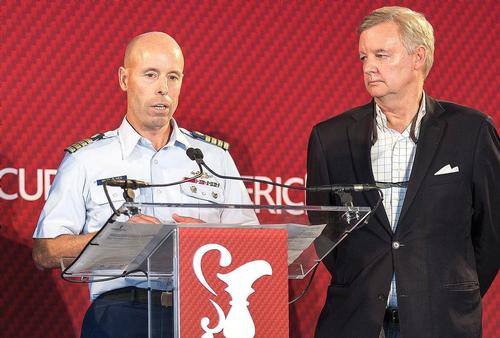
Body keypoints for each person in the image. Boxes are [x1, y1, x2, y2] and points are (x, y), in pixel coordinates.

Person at [32, 32, 257, 338]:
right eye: (150, 75)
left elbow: (255, 247)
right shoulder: (86, 160)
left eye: (173, 77)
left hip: (205, 312)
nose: (163, 88)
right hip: (120, 315)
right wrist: (118, 239)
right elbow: (45, 251)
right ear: (124, 79)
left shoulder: (213, 159)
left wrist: (203, 238)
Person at [306, 6, 499, 338]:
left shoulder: (471, 131)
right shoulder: (330, 137)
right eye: (363, 57)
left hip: (443, 322)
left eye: (381, 55)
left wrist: (449, 292)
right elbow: (325, 229)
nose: (369, 67)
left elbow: (492, 231)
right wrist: (364, 281)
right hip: (356, 322)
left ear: (417, 57)